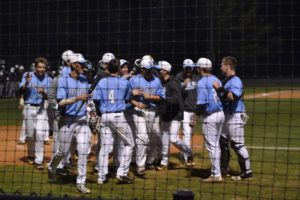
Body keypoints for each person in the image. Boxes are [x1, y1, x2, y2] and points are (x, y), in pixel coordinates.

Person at [47, 53, 92, 194]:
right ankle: (51, 167)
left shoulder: (85, 80)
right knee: (63, 152)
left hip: (82, 120)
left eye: (84, 64)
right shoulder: (63, 80)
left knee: (83, 151)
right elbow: (61, 102)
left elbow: (89, 98)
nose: (83, 66)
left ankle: (81, 182)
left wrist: (92, 109)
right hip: (67, 120)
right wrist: (78, 98)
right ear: (72, 65)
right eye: (80, 64)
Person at [93, 58, 135, 184]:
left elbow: (96, 99)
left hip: (105, 116)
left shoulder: (101, 82)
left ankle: (101, 177)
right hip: (117, 116)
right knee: (130, 144)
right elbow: (128, 99)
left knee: (104, 147)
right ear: (119, 69)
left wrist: (99, 113)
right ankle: (121, 173)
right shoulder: (124, 82)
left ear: (108, 68)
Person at [213, 56, 253, 180]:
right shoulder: (226, 80)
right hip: (227, 116)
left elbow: (232, 97)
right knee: (222, 141)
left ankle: (247, 172)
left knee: (238, 144)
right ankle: (224, 169)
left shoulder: (236, 80)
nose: (220, 67)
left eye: (222, 65)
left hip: (235, 115)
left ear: (227, 66)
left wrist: (219, 89)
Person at [129, 59, 165, 175]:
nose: (151, 72)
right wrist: (134, 98)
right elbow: (125, 95)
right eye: (148, 70)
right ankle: (140, 165)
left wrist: (149, 96)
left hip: (153, 112)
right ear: (142, 69)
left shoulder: (157, 81)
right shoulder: (134, 80)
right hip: (138, 111)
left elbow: (161, 97)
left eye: (151, 69)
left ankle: (147, 161)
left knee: (154, 138)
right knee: (142, 137)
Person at [158, 61, 194, 170]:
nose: (160, 71)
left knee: (173, 139)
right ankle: (164, 163)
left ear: (166, 71)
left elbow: (177, 100)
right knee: (164, 139)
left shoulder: (173, 83)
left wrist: (163, 99)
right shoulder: (162, 82)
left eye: (161, 69)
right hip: (165, 114)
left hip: (175, 114)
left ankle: (188, 152)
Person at [194, 58, 225, 182]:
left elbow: (201, 104)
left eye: (197, 67)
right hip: (220, 114)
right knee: (216, 145)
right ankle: (217, 172)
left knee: (212, 146)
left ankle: (216, 174)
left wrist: (194, 118)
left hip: (210, 116)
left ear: (201, 68)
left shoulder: (201, 82)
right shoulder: (216, 79)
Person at [19, 57, 52, 169]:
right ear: (35, 66)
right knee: (30, 135)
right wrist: (26, 83)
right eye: (39, 67)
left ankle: (39, 161)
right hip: (29, 107)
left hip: (41, 109)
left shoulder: (49, 80)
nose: (41, 69)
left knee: (39, 134)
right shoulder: (28, 75)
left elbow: (50, 98)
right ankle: (31, 155)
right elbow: (21, 91)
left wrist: (43, 93)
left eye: (43, 67)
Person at [176, 59, 200, 166]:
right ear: (184, 68)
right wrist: (183, 85)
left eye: (191, 68)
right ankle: (187, 158)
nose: (189, 70)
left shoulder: (196, 78)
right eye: (187, 68)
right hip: (184, 110)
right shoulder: (179, 77)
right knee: (187, 134)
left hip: (194, 110)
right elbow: (175, 93)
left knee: (190, 134)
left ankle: (184, 152)